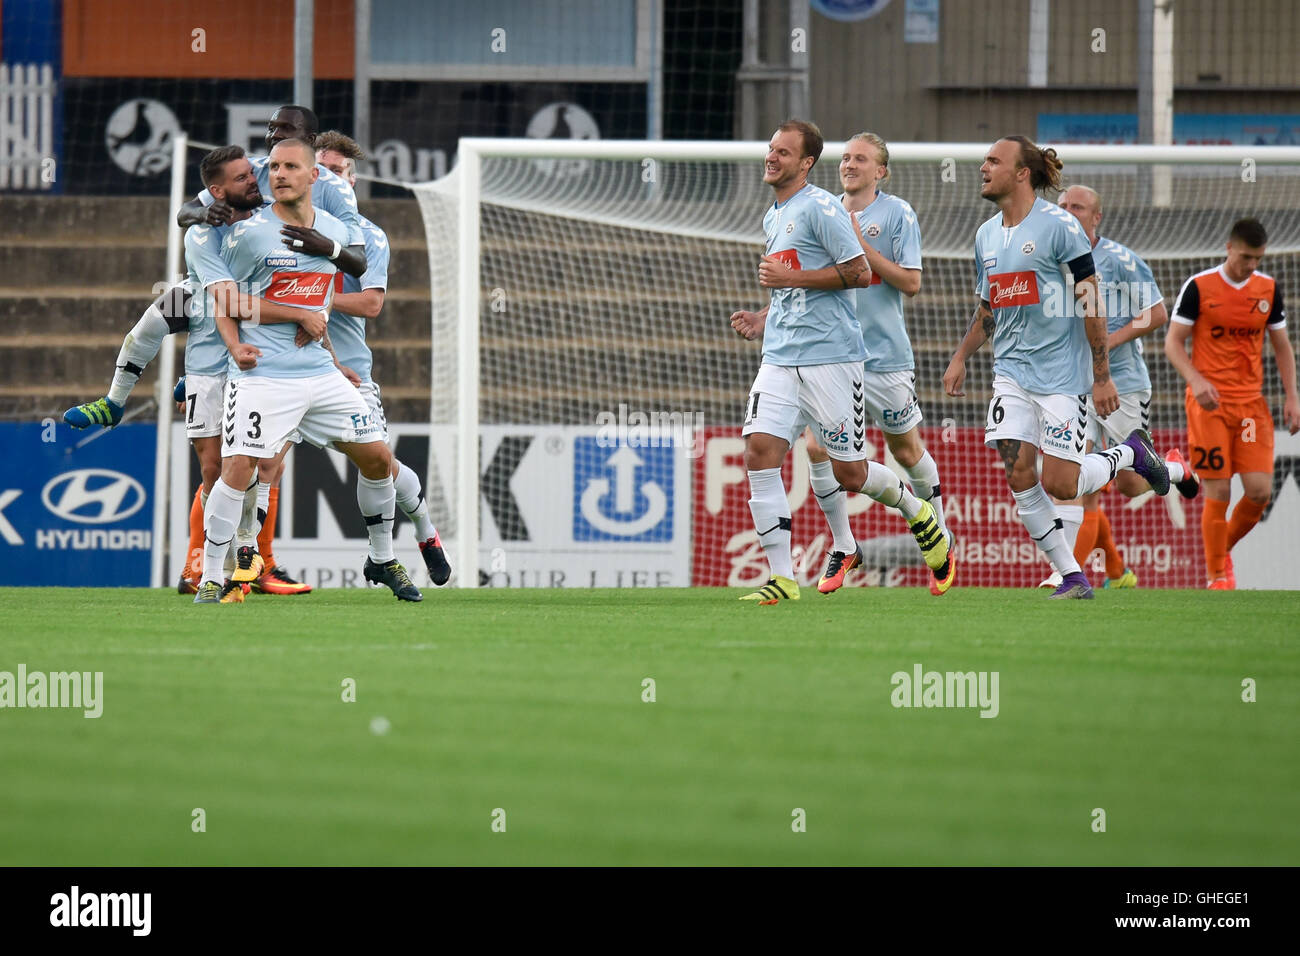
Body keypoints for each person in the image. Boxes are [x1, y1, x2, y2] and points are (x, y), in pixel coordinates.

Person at [728, 119, 951, 604]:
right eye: (771, 149)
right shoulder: (775, 215)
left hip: (834, 358)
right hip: (781, 356)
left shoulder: (823, 207)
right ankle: (784, 578)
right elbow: (793, 285)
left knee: (851, 472)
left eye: (783, 152)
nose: (772, 157)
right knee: (760, 451)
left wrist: (795, 276)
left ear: (805, 163)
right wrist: (765, 316)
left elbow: (856, 273)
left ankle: (918, 511)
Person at [193, 138, 421, 603]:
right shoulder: (249, 232)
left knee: (378, 459)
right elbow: (228, 301)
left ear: (314, 176)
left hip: (319, 372)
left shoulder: (336, 228)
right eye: (273, 166)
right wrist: (283, 321)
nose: (278, 174)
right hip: (264, 375)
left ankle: (381, 558)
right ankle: (212, 577)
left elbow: (334, 285)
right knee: (238, 469)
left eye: (290, 167)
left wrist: (333, 356)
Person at [943, 136, 1170, 599]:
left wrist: (1102, 375)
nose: (983, 167)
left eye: (993, 161)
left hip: (1064, 376)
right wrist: (961, 356)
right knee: (1016, 471)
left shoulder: (1059, 227)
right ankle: (1071, 575)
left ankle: (1132, 453)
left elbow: (1092, 301)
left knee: (1061, 485)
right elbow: (989, 308)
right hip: (1010, 373)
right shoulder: (985, 235)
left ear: (1022, 173)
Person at [803, 131, 954, 596]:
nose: (849, 164)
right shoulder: (822, 209)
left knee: (906, 452)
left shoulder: (897, 214)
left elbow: (911, 283)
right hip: (831, 354)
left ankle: (941, 538)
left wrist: (861, 251)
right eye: (846, 157)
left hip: (884, 358)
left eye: (861, 159)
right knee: (815, 448)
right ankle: (844, 545)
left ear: (880, 171)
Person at [1042, 185, 1200, 590]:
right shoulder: (1048, 257)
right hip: (1071, 384)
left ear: (1097, 217)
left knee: (1130, 486)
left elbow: (1157, 313)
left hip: (1122, 383)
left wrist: (1107, 341)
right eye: (1062, 206)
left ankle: (1176, 467)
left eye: (1077, 206)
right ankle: (1067, 573)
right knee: (1075, 480)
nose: (1067, 211)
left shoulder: (1120, 260)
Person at [315, 131, 451, 585]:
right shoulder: (278, 227)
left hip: (348, 373)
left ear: (351, 182)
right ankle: (243, 565)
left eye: (336, 172)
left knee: (379, 464)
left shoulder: (369, 237)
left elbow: (372, 304)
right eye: (319, 170)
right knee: (253, 462)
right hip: (280, 367)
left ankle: (424, 534)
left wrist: (310, 299)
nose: (326, 179)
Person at [1165, 217, 1300, 589]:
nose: (1251, 265)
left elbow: (1282, 346)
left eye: (1257, 258)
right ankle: (1216, 577)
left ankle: (1218, 548)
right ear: (1229, 248)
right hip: (1209, 404)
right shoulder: (1199, 287)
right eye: (1245, 257)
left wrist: (1293, 396)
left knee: (1259, 492)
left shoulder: (1268, 289)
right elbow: (1173, 343)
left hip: (1250, 407)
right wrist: (1196, 379)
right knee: (1220, 490)